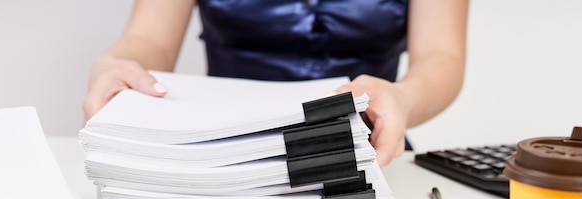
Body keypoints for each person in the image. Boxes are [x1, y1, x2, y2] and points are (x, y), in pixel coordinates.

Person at [83, 0, 469, 166]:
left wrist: (402, 97)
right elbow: (150, 39)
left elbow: (441, 57)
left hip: (368, 152)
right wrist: (118, 64)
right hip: (225, 154)